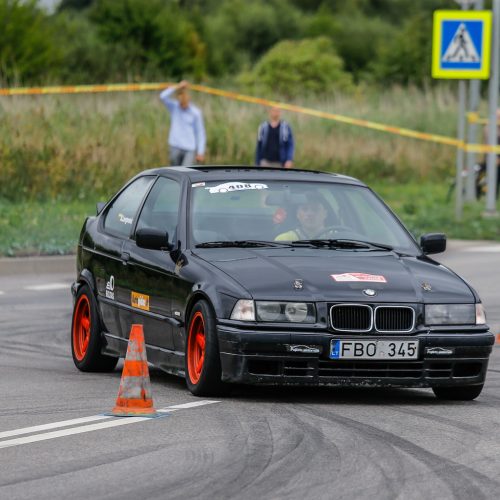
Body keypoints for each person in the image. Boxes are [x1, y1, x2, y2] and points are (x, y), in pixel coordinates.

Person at [160, 80, 206, 166]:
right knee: (174, 173)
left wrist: (200, 152)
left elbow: (200, 133)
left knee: (186, 172)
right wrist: (177, 86)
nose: (182, 105)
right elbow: (163, 96)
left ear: (188, 99)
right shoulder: (175, 107)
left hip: (189, 149)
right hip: (175, 146)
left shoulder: (196, 113)